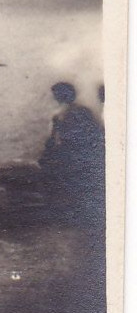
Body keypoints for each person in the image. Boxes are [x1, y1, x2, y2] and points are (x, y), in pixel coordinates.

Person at [40, 82, 104, 221]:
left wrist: (48, 155)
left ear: (58, 98)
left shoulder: (59, 115)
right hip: (85, 154)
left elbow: (54, 140)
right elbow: (95, 134)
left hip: (71, 156)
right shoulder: (84, 111)